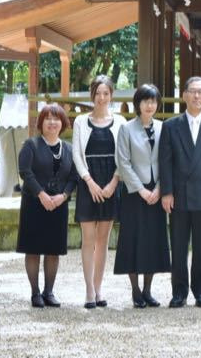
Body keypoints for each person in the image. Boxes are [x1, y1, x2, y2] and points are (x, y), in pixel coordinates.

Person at [159, 76, 201, 308]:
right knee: (177, 245)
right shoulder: (170, 126)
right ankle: (179, 291)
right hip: (178, 194)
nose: (197, 96)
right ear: (185, 95)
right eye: (192, 91)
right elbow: (165, 162)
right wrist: (166, 192)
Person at [113, 84, 170, 308]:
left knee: (153, 241)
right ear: (138, 103)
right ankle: (135, 291)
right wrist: (142, 189)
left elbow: (167, 160)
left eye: (154, 101)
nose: (150, 105)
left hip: (156, 191)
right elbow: (123, 163)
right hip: (134, 193)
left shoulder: (164, 127)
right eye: (146, 101)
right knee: (133, 240)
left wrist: (158, 188)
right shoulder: (126, 129)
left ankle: (148, 290)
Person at [72, 75, 126, 309]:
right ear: (92, 95)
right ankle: (88, 291)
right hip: (88, 183)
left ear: (111, 95)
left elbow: (124, 156)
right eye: (98, 93)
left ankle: (99, 287)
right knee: (88, 239)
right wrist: (89, 182)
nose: (102, 97)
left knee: (103, 240)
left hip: (111, 182)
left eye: (106, 93)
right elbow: (76, 154)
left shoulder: (121, 121)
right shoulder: (80, 122)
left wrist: (114, 183)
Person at [16, 104, 76, 308]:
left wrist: (64, 195)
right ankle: (35, 293)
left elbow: (74, 177)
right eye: (47, 118)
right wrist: (41, 194)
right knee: (33, 249)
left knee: (53, 250)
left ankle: (49, 292)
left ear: (63, 123)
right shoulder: (31, 145)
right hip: (34, 203)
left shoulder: (69, 149)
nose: (52, 122)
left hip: (59, 205)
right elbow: (25, 172)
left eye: (56, 118)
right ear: (41, 123)